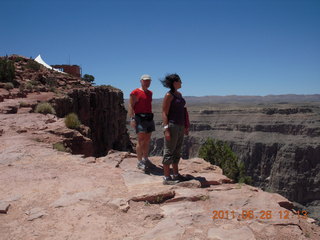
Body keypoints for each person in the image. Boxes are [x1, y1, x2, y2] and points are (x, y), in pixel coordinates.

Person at [161, 73, 190, 185]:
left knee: (177, 150)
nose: (181, 83)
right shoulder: (169, 95)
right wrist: (166, 129)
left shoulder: (179, 94)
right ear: (175, 83)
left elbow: (183, 111)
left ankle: (176, 175)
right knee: (169, 151)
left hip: (180, 125)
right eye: (180, 81)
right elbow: (164, 112)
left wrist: (186, 126)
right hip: (172, 126)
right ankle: (167, 178)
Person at [128, 74, 155, 173]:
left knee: (147, 140)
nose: (147, 82)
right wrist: (132, 119)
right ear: (141, 81)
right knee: (140, 140)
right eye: (145, 81)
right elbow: (131, 105)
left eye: (149, 81)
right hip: (139, 117)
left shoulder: (150, 93)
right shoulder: (135, 92)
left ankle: (145, 159)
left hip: (149, 117)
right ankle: (139, 161)